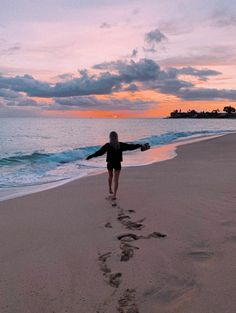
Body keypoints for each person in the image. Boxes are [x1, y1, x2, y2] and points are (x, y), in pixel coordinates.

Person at [86, 131, 150, 200]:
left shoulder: (107, 145)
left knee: (110, 176)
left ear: (110, 137)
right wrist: (140, 146)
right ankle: (114, 195)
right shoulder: (120, 145)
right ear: (117, 137)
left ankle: (110, 189)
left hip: (110, 164)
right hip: (117, 164)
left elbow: (99, 152)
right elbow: (130, 146)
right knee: (116, 180)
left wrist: (91, 156)